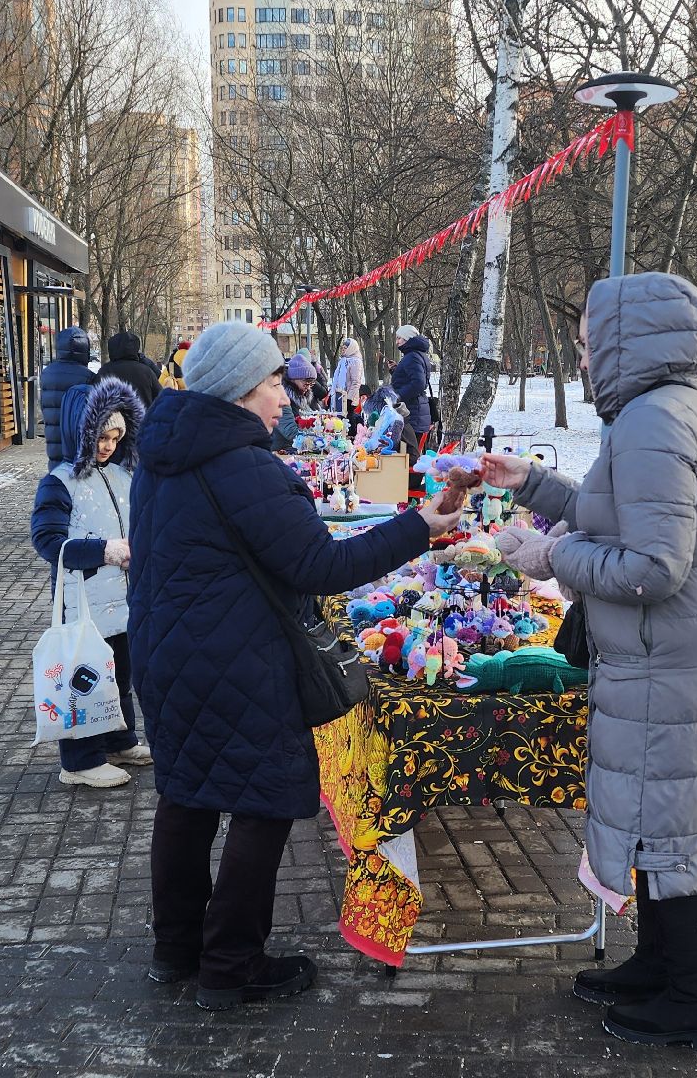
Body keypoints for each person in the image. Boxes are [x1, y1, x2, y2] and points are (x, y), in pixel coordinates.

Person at [127, 320, 463, 1012]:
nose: (287, 393)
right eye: (275, 380)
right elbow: (324, 566)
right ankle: (230, 965)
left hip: (167, 658)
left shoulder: (161, 453)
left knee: (186, 797)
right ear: (239, 389)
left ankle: (177, 950)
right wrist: (419, 526)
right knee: (263, 803)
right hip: (237, 665)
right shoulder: (245, 467)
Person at [481, 272, 697, 1053]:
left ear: (626, 341)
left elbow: (652, 568)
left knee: (672, 827)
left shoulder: (651, 421)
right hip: (683, 654)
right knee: (660, 818)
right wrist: (534, 484)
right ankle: (659, 968)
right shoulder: (676, 407)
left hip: (673, 660)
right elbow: (629, 512)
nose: (581, 358)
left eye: (584, 344)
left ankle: (694, 1003)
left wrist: (550, 556)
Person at [29, 378, 152, 787]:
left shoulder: (121, 475)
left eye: (116, 437)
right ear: (81, 432)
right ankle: (79, 760)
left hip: (124, 598)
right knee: (85, 677)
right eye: (101, 436)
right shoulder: (59, 481)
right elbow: (48, 541)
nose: (107, 446)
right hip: (83, 602)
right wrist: (103, 551)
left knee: (118, 674)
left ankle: (118, 738)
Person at [40, 326, 96, 466]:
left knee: (57, 472)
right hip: (75, 442)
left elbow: (44, 405)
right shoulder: (88, 376)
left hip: (53, 438)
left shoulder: (47, 373)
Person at [390, 325, 434, 447]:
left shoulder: (412, 356)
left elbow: (418, 384)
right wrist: (396, 370)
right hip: (416, 410)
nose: (397, 342)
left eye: (399, 338)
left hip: (413, 412)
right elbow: (412, 378)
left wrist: (397, 396)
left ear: (408, 339)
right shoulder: (415, 354)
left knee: (411, 456)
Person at [100, 330, 163, 408]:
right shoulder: (146, 372)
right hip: (143, 417)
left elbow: (93, 400)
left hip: (112, 418)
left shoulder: (104, 371)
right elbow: (161, 398)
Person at [271, 352, 319, 453]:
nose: (308, 387)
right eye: (306, 383)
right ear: (294, 379)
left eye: (311, 383)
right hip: (282, 449)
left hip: (293, 447)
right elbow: (290, 431)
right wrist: (316, 442)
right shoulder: (282, 398)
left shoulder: (302, 396)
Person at [330, 337, 365, 422]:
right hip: (340, 396)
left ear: (351, 349)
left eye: (345, 348)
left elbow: (356, 382)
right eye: (343, 348)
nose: (343, 350)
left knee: (348, 421)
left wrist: (349, 399)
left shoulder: (355, 362)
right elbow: (336, 380)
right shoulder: (343, 361)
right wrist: (332, 394)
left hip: (349, 399)